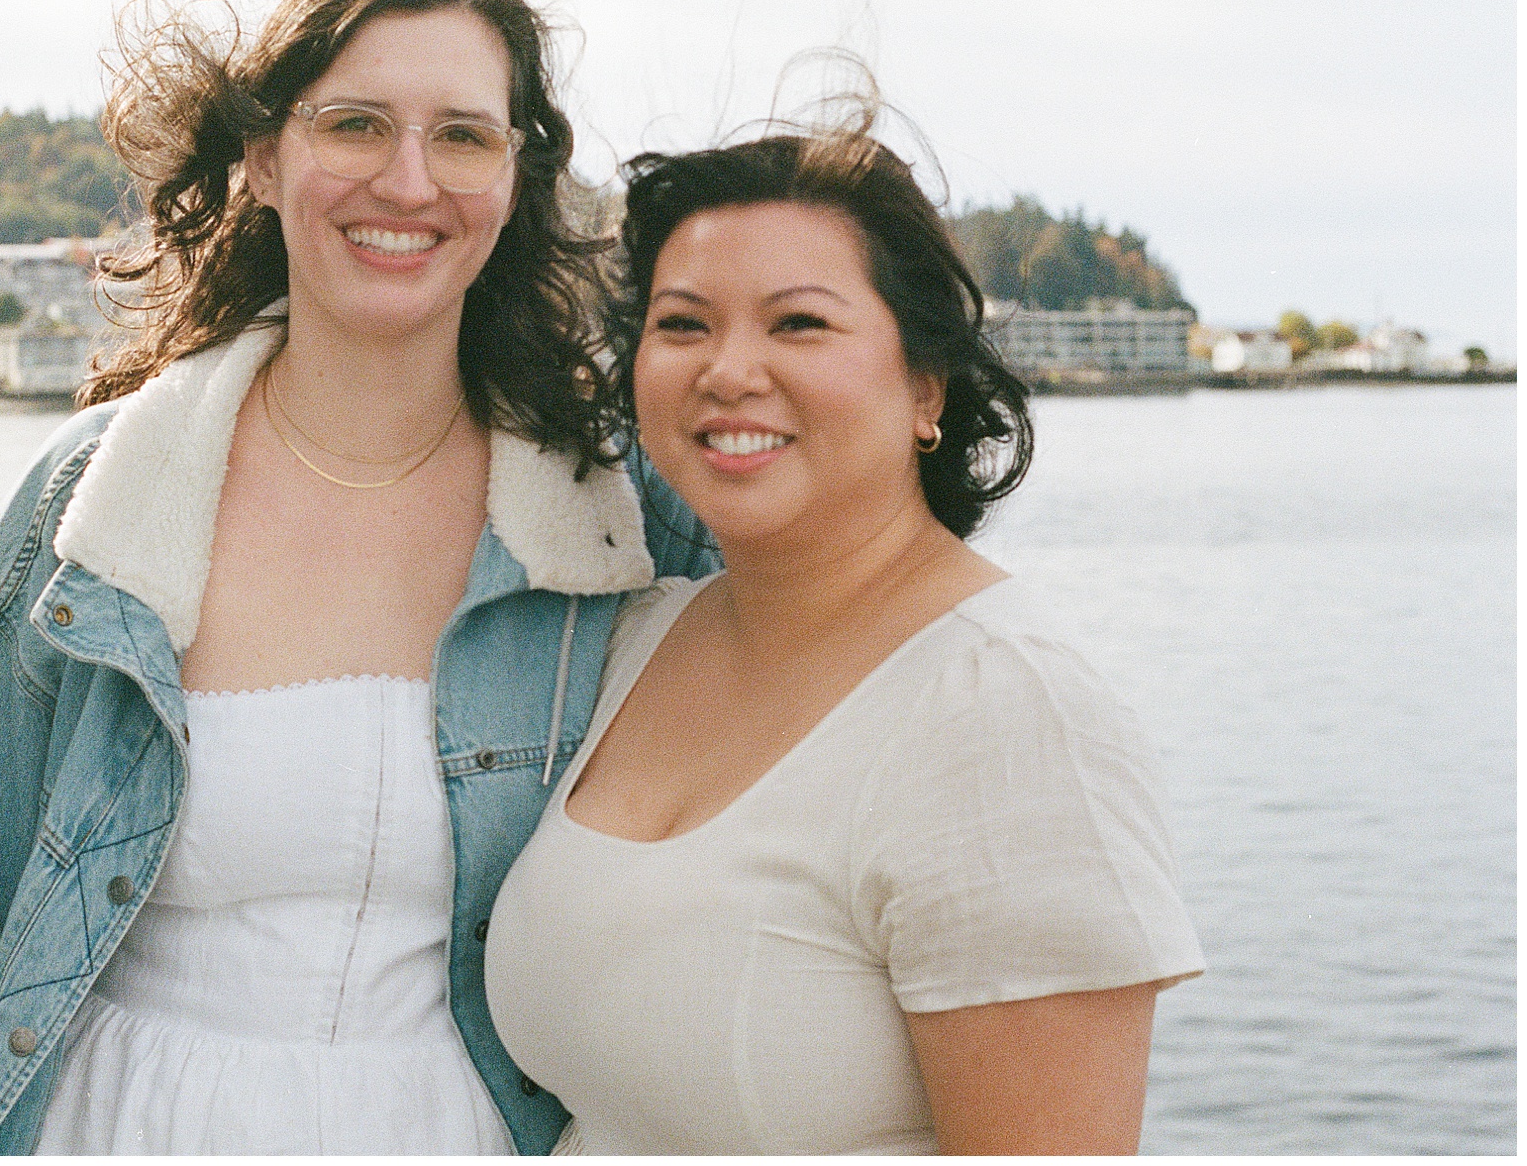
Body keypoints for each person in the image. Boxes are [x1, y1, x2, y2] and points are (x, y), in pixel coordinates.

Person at [0, 0, 717, 1156]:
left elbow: (845, 650)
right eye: (354, 124)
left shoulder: (617, 512)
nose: (408, 181)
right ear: (265, 161)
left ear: (514, 178)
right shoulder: (100, 501)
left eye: (462, 136)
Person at [485, 124, 1204, 1154]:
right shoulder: (640, 638)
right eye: (683, 324)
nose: (730, 371)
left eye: (801, 324)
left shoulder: (1004, 713)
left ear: (927, 388)